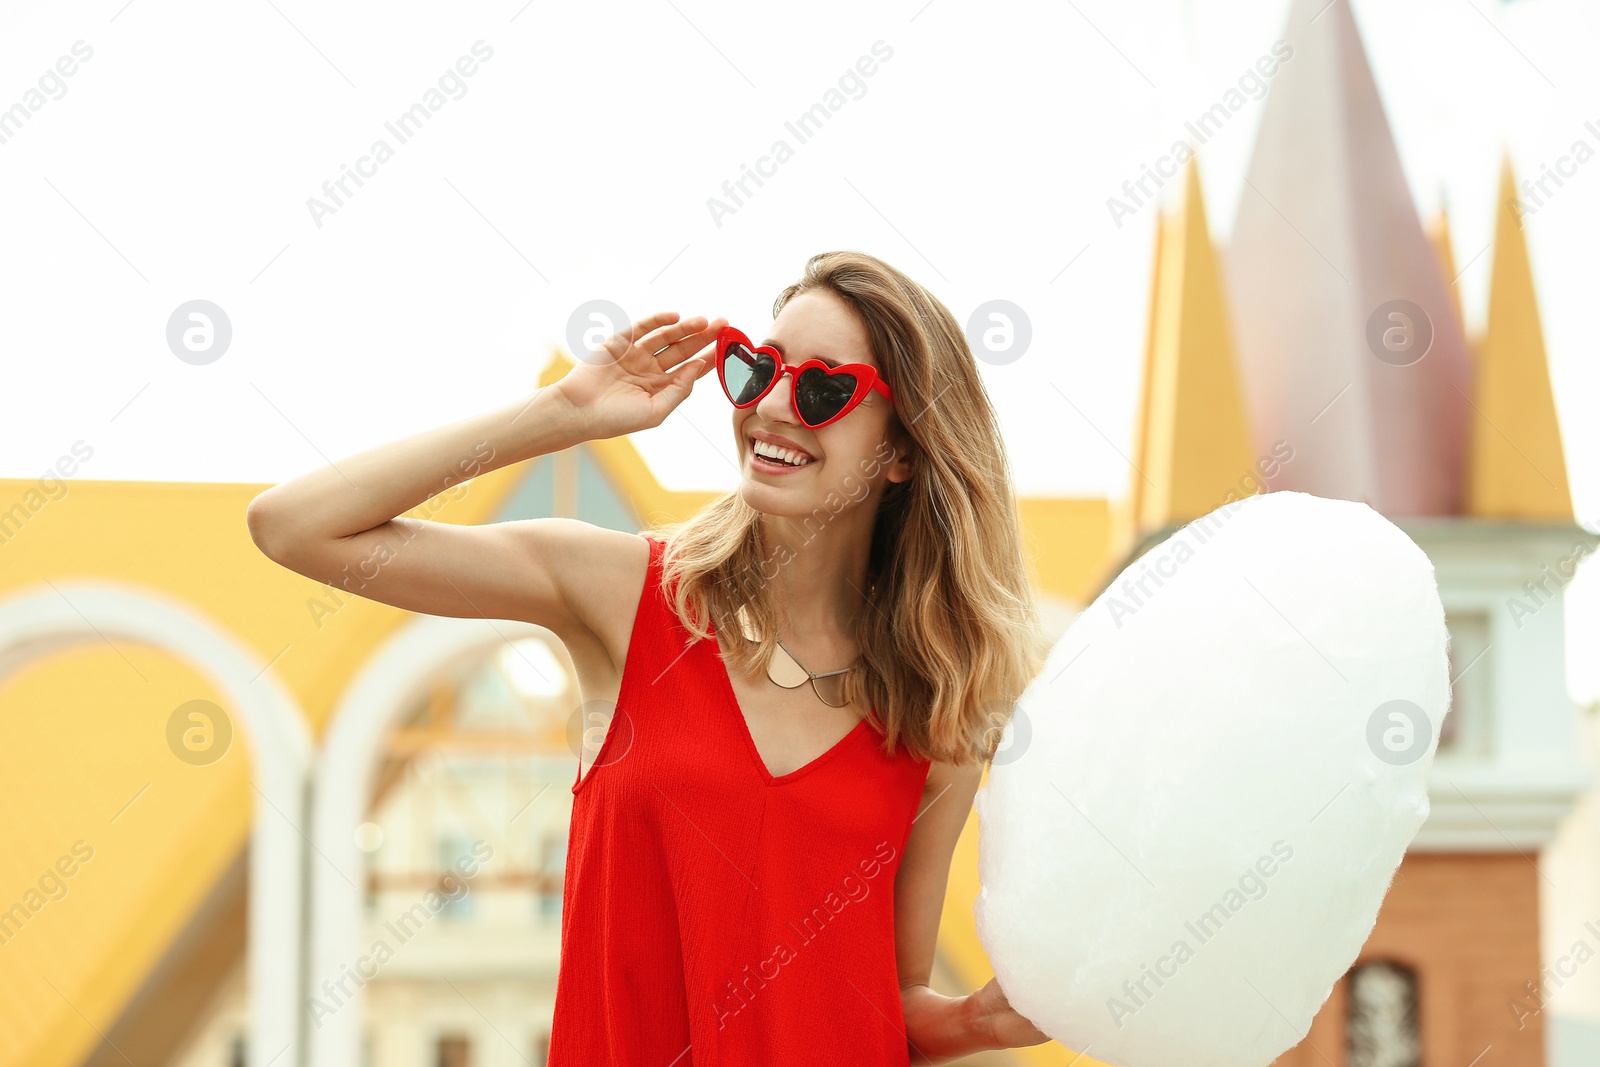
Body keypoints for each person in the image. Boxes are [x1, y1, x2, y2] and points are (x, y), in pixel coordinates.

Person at [247, 249, 1053, 1063]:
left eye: (822, 389)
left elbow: (887, 992)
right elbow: (295, 527)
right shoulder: (625, 595)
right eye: (755, 368)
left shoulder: (936, 712)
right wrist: (563, 412)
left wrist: (972, 1023)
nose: (771, 405)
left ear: (904, 451)